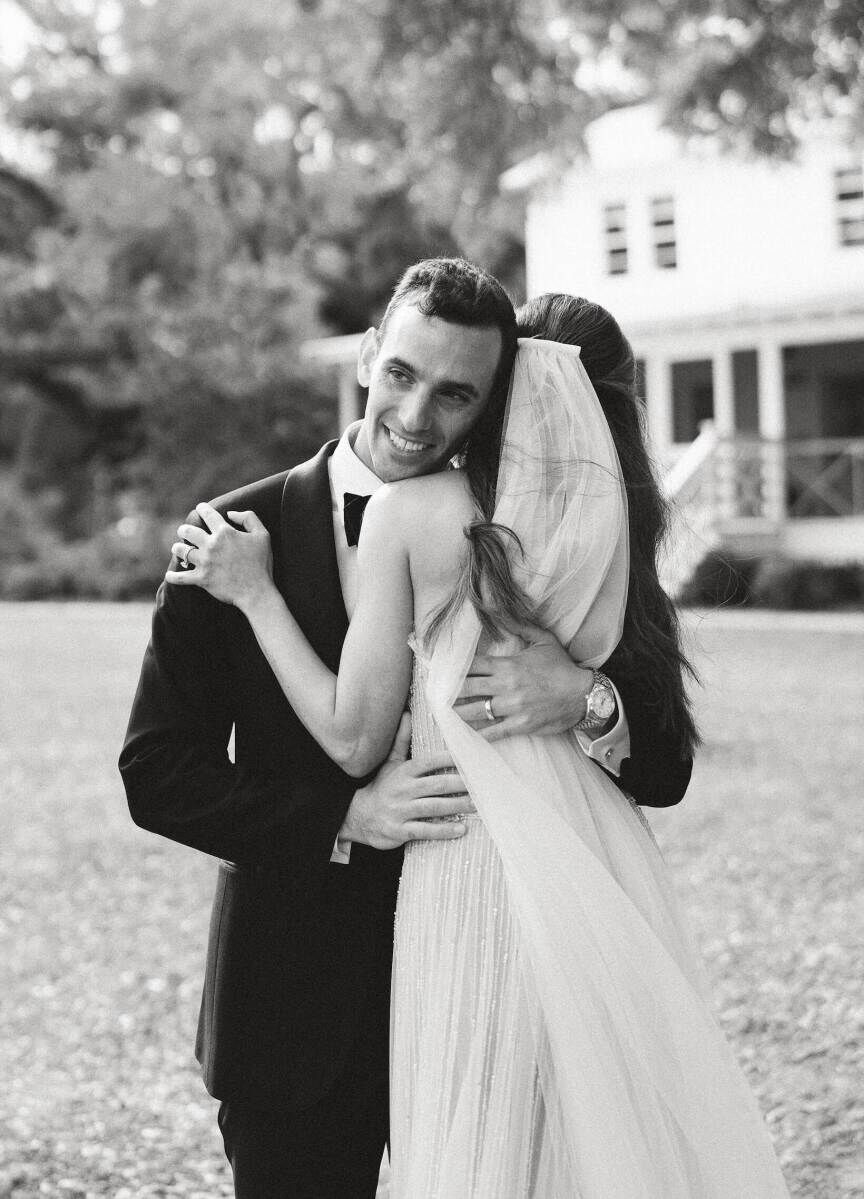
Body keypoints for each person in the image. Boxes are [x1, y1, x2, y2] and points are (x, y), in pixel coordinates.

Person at [173, 290, 792, 1197]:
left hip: (475, 890)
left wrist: (588, 698)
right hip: (570, 888)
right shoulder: (614, 531)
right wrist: (344, 815)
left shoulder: (415, 515)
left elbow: (664, 760)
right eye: (404, 376)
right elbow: (160, 772)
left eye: (459, 394)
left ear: (500, 394)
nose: (424, 416)